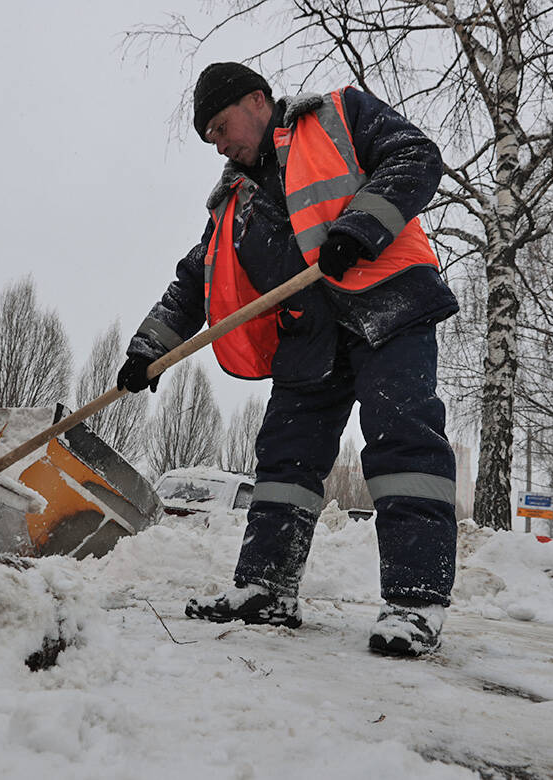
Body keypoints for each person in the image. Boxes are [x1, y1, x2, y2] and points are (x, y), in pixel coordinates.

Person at [117, 62, 459, 656]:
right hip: (308, 339)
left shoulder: (338, 115)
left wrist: (360, 227)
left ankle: (414, 603)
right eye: (210, 139)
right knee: (283, 462)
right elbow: (193, 284)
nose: (219, 144)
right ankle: (265, 590)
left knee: (403, 442)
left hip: (388, 306)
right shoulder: (232, 207)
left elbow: (416, 156)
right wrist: (148, 351)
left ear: (257, 100)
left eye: (221, 127)